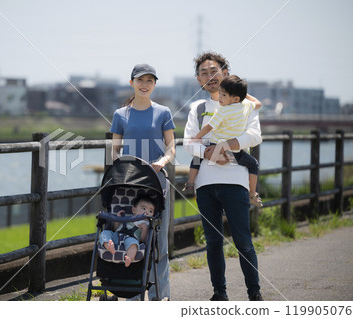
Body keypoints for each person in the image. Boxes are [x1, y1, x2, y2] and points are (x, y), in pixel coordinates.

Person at [183, 51, 263, 301]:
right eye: (204, 73)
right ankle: (220, 293)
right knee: (213, 243)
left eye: (214, 70)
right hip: (206, 184)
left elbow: (254, 136)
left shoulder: (244, 104)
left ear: (225, 73)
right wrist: (208, 154)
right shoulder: (197, 108)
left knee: (243, 241)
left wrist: (224, 147)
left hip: (236, 181)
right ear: (199, 80)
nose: (210, 76)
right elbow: (188, 142)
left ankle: (255, 293)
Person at [110, 63, 175, 300]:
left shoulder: (163, 112)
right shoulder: (120, 115)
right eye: (140, 80)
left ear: (155, 84)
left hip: (157, 181)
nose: (145, 85)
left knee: (159, 241)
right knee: (131, 236)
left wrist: (162, 161)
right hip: (129, 185)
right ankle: (133, 293)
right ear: (132, 83)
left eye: (150, 80)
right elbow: (114, 152)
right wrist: (122, 166)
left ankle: (160, 295)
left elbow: (171, 147)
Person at [187, 75, 263, 207]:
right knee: (254, 164)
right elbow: (258, 103)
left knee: (197, 158)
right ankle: (253, 193)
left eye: (223, 95)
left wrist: (197, 136)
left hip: (215, 145)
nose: (220, 98)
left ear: (235, 98)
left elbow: (209, 126)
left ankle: (190, 183)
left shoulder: (222, 110)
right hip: (235, 151)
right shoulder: (246, 106)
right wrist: (243, 94)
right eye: (220, 94)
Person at [99, 195, 155, 267]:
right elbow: (116, 229)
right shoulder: (128, 217)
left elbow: (143, 240)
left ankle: (129, 258)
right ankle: (109, 246)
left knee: (134, 244)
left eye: (151, 211)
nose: (147, 212)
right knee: (104, 233)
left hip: (130, 239)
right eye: (144, 208)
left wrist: (144, 229)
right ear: (134, 210)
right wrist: (117, 220)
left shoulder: (146, 224)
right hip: (117, 236)